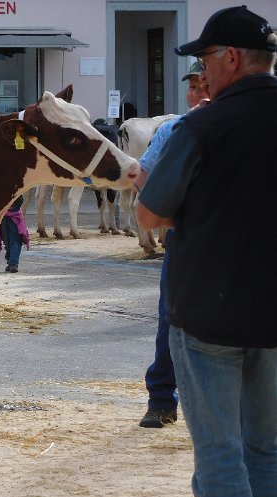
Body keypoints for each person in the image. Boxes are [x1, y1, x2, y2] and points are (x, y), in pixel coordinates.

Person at [136, 6, 277, 497]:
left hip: (208, 310)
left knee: (219, 456)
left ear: (232, 59)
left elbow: (149, 213)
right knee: (267, 451)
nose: (201, 72)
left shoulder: (204, 127)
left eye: (204, 60)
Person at [138, 61, 210, 428]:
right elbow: (143, 176)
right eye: (193, 86)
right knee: (171, 317)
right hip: (185, 240)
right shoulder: (172, 130)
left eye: (204, 85)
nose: (198, 93)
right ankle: (162, 398)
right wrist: (167, 217)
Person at [0, 194, 28, 273]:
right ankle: (13, 263)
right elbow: (20, 200)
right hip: (12, 216)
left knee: (3, 240)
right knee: (14, 241)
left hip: (2, 215)